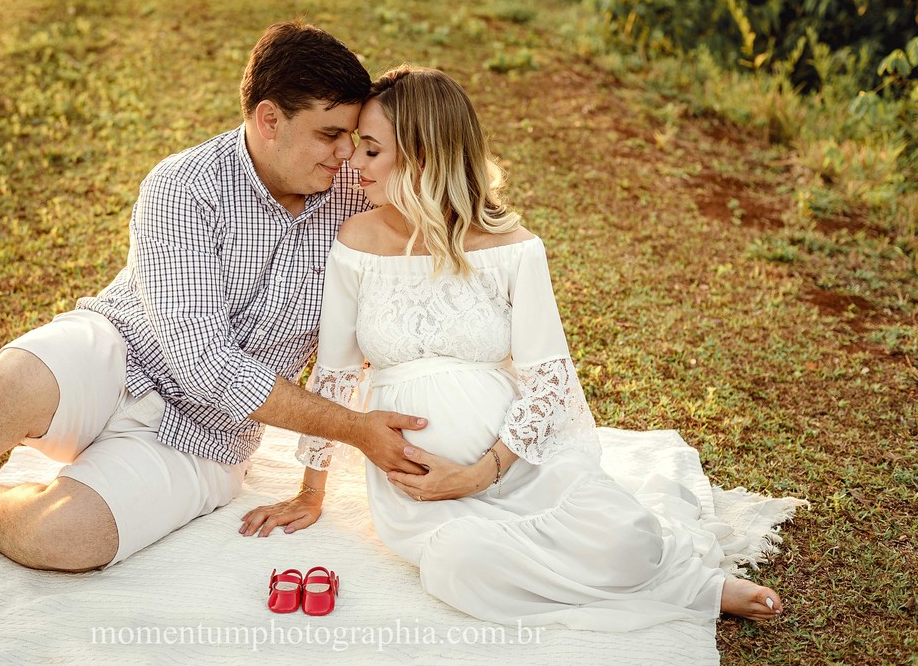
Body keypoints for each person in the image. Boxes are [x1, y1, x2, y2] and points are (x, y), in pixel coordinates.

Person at [0, 21, 432, 584]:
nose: (347, 153)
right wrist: (353, 428)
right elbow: (201, 359)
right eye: (329, 134)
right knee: (17, 374)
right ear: (267, 120)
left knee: (70, 540)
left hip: (207, 437)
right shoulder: (184, 186)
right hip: (122, 350)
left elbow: (446, 193)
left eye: (352, 136)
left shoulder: (354, 190)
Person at [239, 65, 784, 627]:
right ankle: (652, 588)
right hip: (420, 489)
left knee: (628, 538)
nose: (353, 162)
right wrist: (311, 490)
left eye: (372, 150)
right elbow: (335, 374)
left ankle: (695, 583)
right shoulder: (357, 241)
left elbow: (549, 381)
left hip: (518, 463)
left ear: (423, 159)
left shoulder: (513, 248)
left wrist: (483, 472)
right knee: (460, 564)